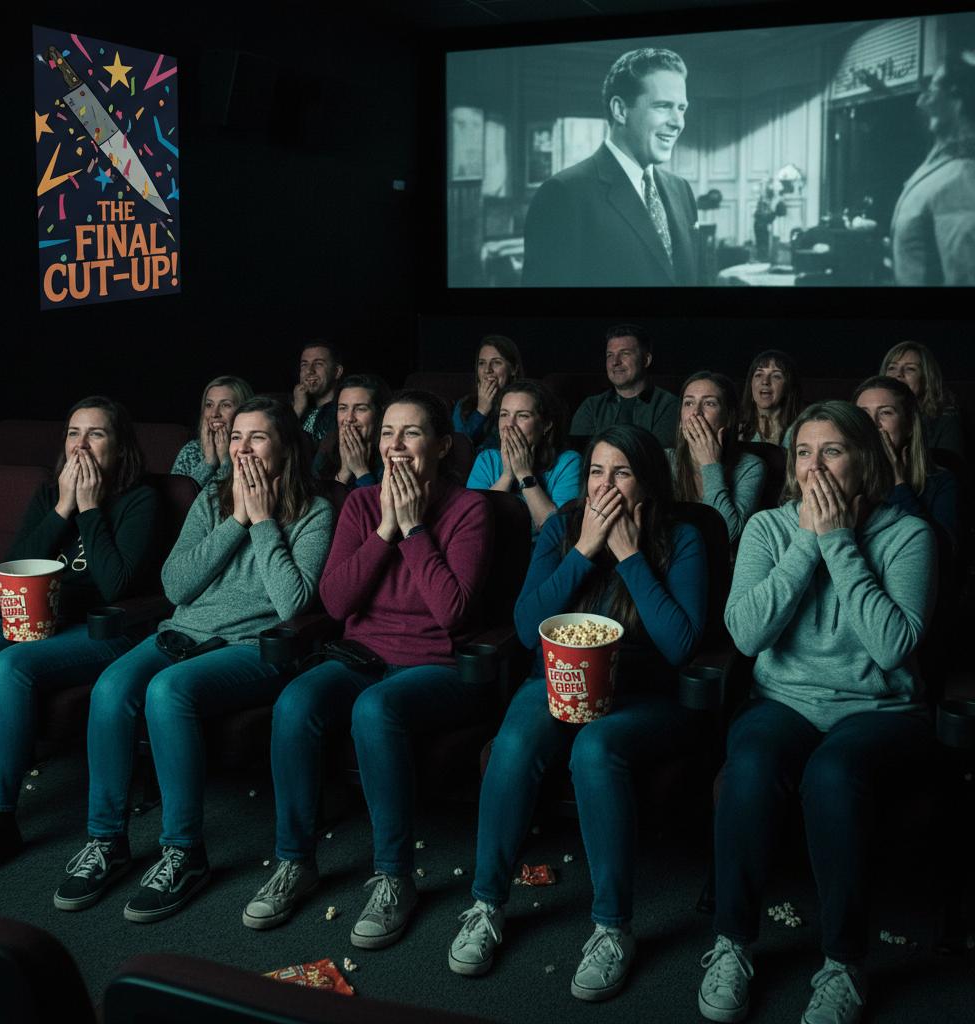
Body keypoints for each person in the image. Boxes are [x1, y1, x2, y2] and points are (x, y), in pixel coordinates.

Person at [697, 401, 937, 1024]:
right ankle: (732, 944)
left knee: (832, 773)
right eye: (804, 453)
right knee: (750, 764)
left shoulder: (909, 535)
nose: (815, 467)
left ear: (865, 462)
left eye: (832, 451)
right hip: (784, 701)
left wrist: (838, 542)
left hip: (879, 710)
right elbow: (747, 635)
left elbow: (892, 647)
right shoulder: (768, 529)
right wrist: (807, 540)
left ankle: (842, 963)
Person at [448, 425, 706, 1001]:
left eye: (622, 473)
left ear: (647, 482)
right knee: (515, 743)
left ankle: (613, 928)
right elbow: (525, 627)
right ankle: (486, 904)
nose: (605, 486)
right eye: (595, 472)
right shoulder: (562, 528)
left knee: (595, 749)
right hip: (559, 678)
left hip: (644, 693)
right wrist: (586, 550)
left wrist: (630, 557)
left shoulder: (681, 536)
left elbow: (680, 645)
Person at [53, 397, 333, 922]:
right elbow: (176, 585)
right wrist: (235, 520)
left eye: (257, 438)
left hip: (253, 647)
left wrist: (263, 521)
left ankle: (184, 853)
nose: (242, 449)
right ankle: (107, 842)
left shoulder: (314, 511)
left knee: (167, 691)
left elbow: (293, 603)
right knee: (112, 687)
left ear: (286, 449)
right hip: (182, 633)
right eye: (236, 437)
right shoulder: (210, 499)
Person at [241, 391, 493, 948]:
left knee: (376, 709)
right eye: (387, 434)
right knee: (295, 702)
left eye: (411, 433)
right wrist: (385, 531)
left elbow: (452, 612)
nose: (395, 445)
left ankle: (393, 877)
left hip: (437, 665)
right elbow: (335, 603)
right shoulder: (360, 505)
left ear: (441, 446)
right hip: (362, 656)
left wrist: (416, 530)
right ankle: (295, 861)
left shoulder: (469, 508)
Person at [0, 397, 158, 883]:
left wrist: (88, 509)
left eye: (96, 434)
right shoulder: (50, 495)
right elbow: (14, 566)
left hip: (104, 629)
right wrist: (63, 507)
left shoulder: (141, 500)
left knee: (9, 668)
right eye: (73, 433)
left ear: (120, 447)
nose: (80, 445)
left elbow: (117, 586)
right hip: (40, 617)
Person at [522, 48, 700, 287]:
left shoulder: (681, 190)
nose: (678, 122)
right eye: (663, 106)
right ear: (620, 110)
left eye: (681, 108)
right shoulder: (563, 194)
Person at [890, 50, 975, 286]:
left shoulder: (962, 177)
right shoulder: (943, 166)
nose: (921, 101)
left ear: (958, 101)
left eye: (933, 89)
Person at [853, 375, 959, 551]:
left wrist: (898, 483)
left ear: (909, 425)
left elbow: (942, 551)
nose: (872, 423)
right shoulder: (842, 475)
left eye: (885, 412)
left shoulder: (941, 481)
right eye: (863, 413)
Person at [466, 380, 581, 535]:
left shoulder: (568, 462)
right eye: (504, 414)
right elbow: (472, 525)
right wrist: (507, 476)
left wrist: (524, 474)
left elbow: (556, 533)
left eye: (523, 416)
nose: (509, 425)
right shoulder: (487, 460)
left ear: (546, 424)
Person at [670, 372, 765, 544]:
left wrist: (710, 464)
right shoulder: (665, 460)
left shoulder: (750, 467)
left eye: (709, 403)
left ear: (728, 418)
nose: (696, 413)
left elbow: (728, 534)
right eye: (689, 403)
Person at [570, 324, 679, 449]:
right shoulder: (591, 407)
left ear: (646, 360)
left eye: (625, 353)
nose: (615, 362)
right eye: (610, 355)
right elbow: (581, 455)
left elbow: (657, 456)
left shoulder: (668, 406)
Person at [880, 341, 965, 457]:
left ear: (926, 378)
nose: (898, 374)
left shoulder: (946, 421)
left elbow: (950, 465)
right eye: (892, 368)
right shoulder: (872, 416)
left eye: (910, 369)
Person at [171, 375, 254, 488]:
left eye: (225, 405)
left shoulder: (249, 451)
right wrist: (208, 463)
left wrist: (225, 462)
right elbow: (179, 496)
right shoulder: (192, 450)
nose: (214, 414)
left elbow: (227, 497)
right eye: (209, 405)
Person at [312, 374, 392, 489]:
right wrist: (345, 471)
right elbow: (319, 500)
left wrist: (361, 471)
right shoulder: (328, 445)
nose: (349, 418)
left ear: (379, 413)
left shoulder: (391, 453)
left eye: (360, 409)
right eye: (343, 408)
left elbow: (380, 501)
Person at [452, 335, 524, 449]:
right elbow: (458, 449)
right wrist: (481, 411)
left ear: (513, 369)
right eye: (482, 363)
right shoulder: (463, 405)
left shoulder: (524, 404)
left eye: (496, 362)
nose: (487, 370)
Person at [738, 349, 801, 448]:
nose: (765, 381)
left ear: (788, 386)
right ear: (751, 384)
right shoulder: (736, 430)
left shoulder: (801, 429)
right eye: (759, 375)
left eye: (776, 376)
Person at [293, 341, 344, 444]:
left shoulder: (343, 413)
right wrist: (297, 409)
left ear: (337, 371)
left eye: (318, 364)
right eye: (304, 365)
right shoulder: (291, 407)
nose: (309, 371)